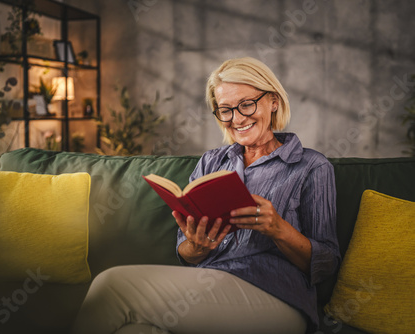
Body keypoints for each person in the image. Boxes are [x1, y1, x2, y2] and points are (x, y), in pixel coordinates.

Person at [70, 57, 340, 334]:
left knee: (112, 285)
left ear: (273, 101)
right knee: (135, 330)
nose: (237, 118)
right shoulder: (211, 163)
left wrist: (279, 229)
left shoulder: (310, 166)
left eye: (246, 104)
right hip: (208, 287)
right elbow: (185, 253)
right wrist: (196, 246)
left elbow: (327, 263)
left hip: (278, 297)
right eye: (226, 110)